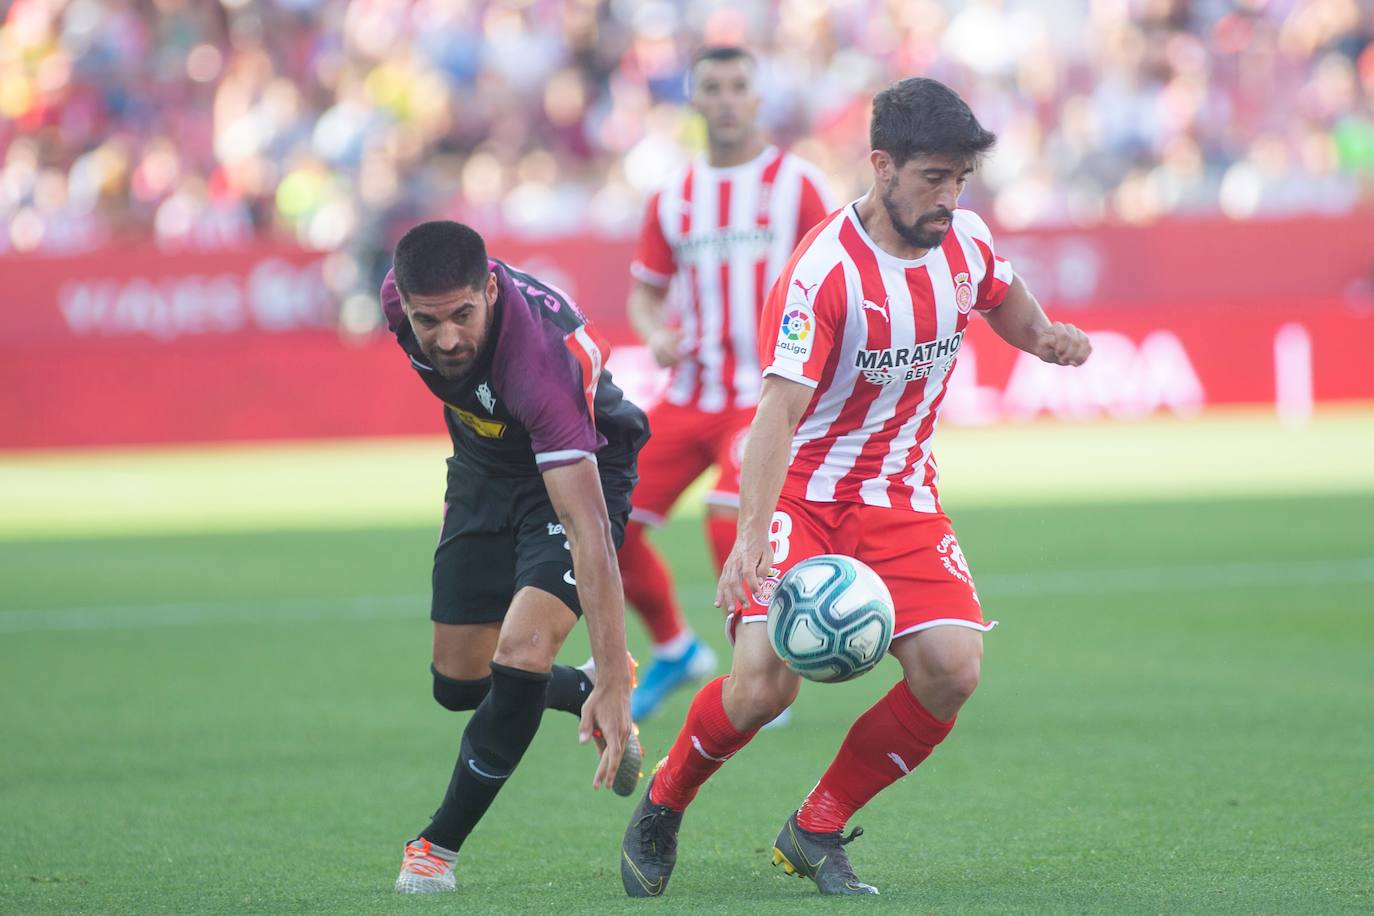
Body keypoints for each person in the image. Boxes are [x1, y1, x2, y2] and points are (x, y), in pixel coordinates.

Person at [619, 77, 1092, 897]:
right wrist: (751, 543)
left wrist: (1043, 337)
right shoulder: (823, 273)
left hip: (902, 498)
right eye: (932, 179)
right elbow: (775, 417)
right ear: (882, 165)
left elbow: (1002, 297)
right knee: (763, 686)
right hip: (802, 495)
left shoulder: (968, 242)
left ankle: (817, 826)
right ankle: (667, 798)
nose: (948, 198)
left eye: (959, 180)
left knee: (952, 669)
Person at [380, 220, 649, 894]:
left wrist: (618, 682)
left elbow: (590, 535)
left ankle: (435, 849)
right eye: (428, 321)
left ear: (491, 290)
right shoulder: (395, 298)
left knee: (521, 653)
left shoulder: (541, 367)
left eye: (463, 316)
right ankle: (573, 686)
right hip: (480, 471)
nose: (446, 339)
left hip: (581, 471)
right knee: (460, 684)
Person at [622, 45, 834, 721]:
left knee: (729, 518)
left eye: (738, 85)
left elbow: (836, 274)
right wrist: (655, 333)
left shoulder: (798, 184)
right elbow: (644, 294)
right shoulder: (673, 195)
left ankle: (761, 676)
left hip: (763, 395)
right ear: (694, 99)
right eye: (711, 86)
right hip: (689, 394)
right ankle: (677, 649)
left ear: (757, 97)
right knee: (601, 520)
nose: (725, 98)